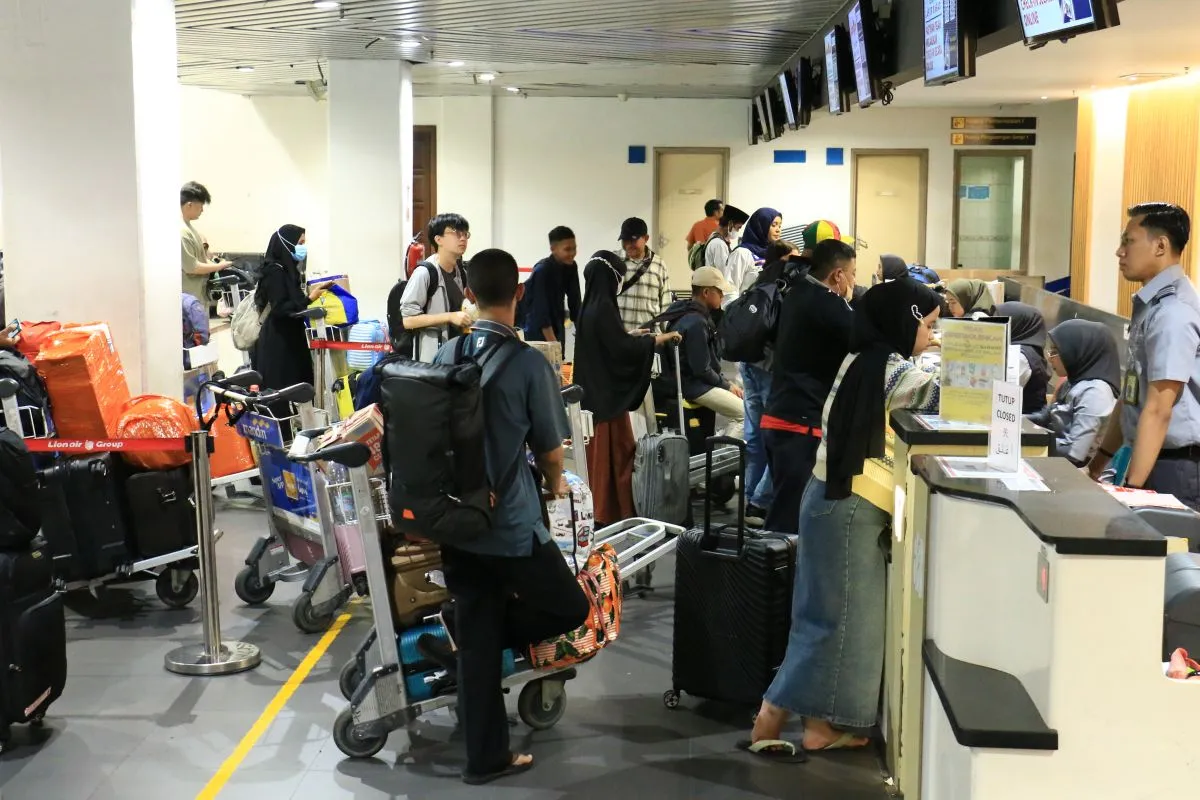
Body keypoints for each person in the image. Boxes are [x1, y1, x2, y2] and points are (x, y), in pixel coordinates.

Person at [745, 279, 942, 760]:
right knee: (842, 621)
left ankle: (819, 725)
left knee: (826, 615)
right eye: (930, 325)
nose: (933, 336)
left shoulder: (865, 358)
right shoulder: (891, 370)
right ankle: (774, 711)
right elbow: (950, 395)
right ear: (907, 319)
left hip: (832, 499)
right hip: (852, 506)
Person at [426, 248, 590, 785]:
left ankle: (486, 759)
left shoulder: (447, 353)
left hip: (454, 517)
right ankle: (480, 635)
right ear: (517, 295)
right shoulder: (527, 363)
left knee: (477, 632)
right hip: (510, 523)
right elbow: (549, 448)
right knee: (568, 606)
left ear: (468, 294)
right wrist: (555, 483)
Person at [1088, 203, 1200, 510]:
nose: (1119, 252)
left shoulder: (1173, 312)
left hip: (1177, 467)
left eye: (1128, 241)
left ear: (1160, 245)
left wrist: (1133, 490)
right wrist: (1099, 462)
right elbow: (1131, 395)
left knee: (1171, 556)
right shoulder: (1151, 306)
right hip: (1151, 457)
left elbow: (1159, 409)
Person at [574, 251, 681, 525]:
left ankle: (601, 509)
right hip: (609, 400)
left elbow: (610, 342)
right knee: (620, 455)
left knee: (600, 459)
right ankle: (616, 510)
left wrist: (630, 335)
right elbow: (620, 350)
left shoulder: (589, 307)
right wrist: (657, 340)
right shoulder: (605, 308)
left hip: (594, 396)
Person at [761, 240, 857, 533]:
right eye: (853, 274)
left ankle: (775, 572)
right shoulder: (826, 303)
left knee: (785, 507)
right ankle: (774, 576)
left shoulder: (798, 293)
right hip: (800, 423)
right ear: (838, 275)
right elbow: (864, 340)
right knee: (790, 517)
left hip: (781, 415)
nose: (855, 281)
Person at [661, 267, 744, 436]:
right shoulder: (696, 322)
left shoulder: (681, 310)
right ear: (706, 292)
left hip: (685, 381)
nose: (722, 295)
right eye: (719, 291)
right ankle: (721, 459)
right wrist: (727, 385)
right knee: (745, 415)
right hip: (695, 386)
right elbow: (701, 369)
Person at [1027, 319, 1120, 467]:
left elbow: (1074, 452)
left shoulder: (1095, 392)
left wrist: (1029, 441)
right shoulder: (1071, 382)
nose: (1050, 358)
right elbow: (1044, 417)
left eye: (1055, 352)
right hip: (1055, 462)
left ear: (1078, 351)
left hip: (1076, 471)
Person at [251, 225, 330, 394]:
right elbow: (280, 308)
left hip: (290, 337)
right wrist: (309, 299)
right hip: (279, 342)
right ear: (287, 243)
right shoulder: (275, 272)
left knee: (297, 386)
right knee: (284, 389)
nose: (303, 247)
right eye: (300, 242)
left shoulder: (288, 271)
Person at [400, 213, 473, 362]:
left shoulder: (461, 271)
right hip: (433, 360)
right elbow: (408, 320)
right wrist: (449, 317)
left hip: (456, 354)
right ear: (438, 239)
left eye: (466, 233)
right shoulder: (425, 273)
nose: (463, 238)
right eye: (456, 233)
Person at [520, 226, 581, 353]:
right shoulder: (542, 270)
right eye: (567, 249)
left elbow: (575, 301)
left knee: (557, 362)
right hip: (536, 326)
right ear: (553, 249)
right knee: (546, 362)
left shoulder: (571, 266)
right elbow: (540, 310)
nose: (572, 253)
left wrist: (581, 332)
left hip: (557, 320)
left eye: (574, 248)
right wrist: (553, 344)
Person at [614, 217, 671, 332]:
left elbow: (666, 304)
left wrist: (666, 336)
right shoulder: (613, 262)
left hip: (649, 338)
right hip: (619, 337)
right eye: (625, 240)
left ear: (646, 238)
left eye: (633, 240)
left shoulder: (659, 265)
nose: (628, 245)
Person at [180, 182, 231, 306]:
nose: (202, 210)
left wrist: (218, 263)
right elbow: (192, 268)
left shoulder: (191, 230)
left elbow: (202, 260)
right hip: (189, 300)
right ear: (189, 205)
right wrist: (219, 266)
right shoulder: (182, 232)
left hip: (198, 296)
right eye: (200, 206)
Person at [995, 302, 1051, 413]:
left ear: (1016, 324)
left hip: (1026, 424)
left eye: (1001, 321)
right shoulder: (1027, 350)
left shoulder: (1020, 356)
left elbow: (1002, 395)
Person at [724, 207, 782, 302]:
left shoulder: (775, 254)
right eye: (774, 225)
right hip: (745, 313)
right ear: (760, 226)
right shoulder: (742, 253)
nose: (778, 230)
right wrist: (736, 313)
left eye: (780, 226)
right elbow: (729, 290)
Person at [704, 205, 750, 272]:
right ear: (730, 224)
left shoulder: (714, 237)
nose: (738, 231)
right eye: (738, 228)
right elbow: (725, 272)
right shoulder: (719, 244)